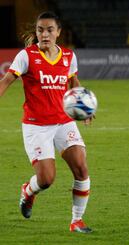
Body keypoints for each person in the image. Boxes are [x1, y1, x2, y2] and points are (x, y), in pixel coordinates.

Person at [0, 11, 92, 233]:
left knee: (81, 168)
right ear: (36, 33)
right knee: (47, 179)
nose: (45, 34)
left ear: (58, 32)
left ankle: (77, 221)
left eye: (50, 30)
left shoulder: (68, 56)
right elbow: (6, 81)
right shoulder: (27, 56)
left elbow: (73, 80)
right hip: (36, 125)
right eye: (40, 30)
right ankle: (28, 191)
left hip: (63, 121)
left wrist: (84, 106)